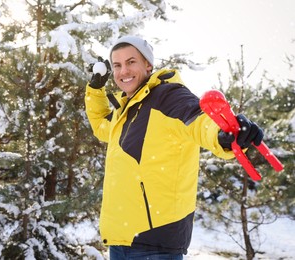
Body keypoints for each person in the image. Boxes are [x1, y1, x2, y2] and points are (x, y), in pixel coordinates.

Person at [84, 36, 263, 260]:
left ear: (148, 64)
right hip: (122, 240)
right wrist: (95, 88)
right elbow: (101, 125)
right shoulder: (127, 108)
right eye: (117, 65)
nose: (123, 71)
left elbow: (199, 121)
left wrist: (224, 134)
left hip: (155, 243)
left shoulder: (167, 96)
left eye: (131, 62)